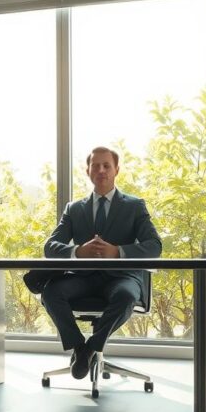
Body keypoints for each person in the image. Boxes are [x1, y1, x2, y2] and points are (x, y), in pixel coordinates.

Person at [40, 146, 162, 379]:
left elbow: (154, 246)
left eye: (106, 165)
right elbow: (50, 246)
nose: (101, 170)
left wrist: (118, 251)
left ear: (116, 170)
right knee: (50, 293)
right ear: (87, 171)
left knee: (126, 296)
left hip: (121, 277)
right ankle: (79, 347)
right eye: (95, 165)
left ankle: (92, 346)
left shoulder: (135, 206)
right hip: (82, 278)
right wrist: (78, 251)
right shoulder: (74, 209)